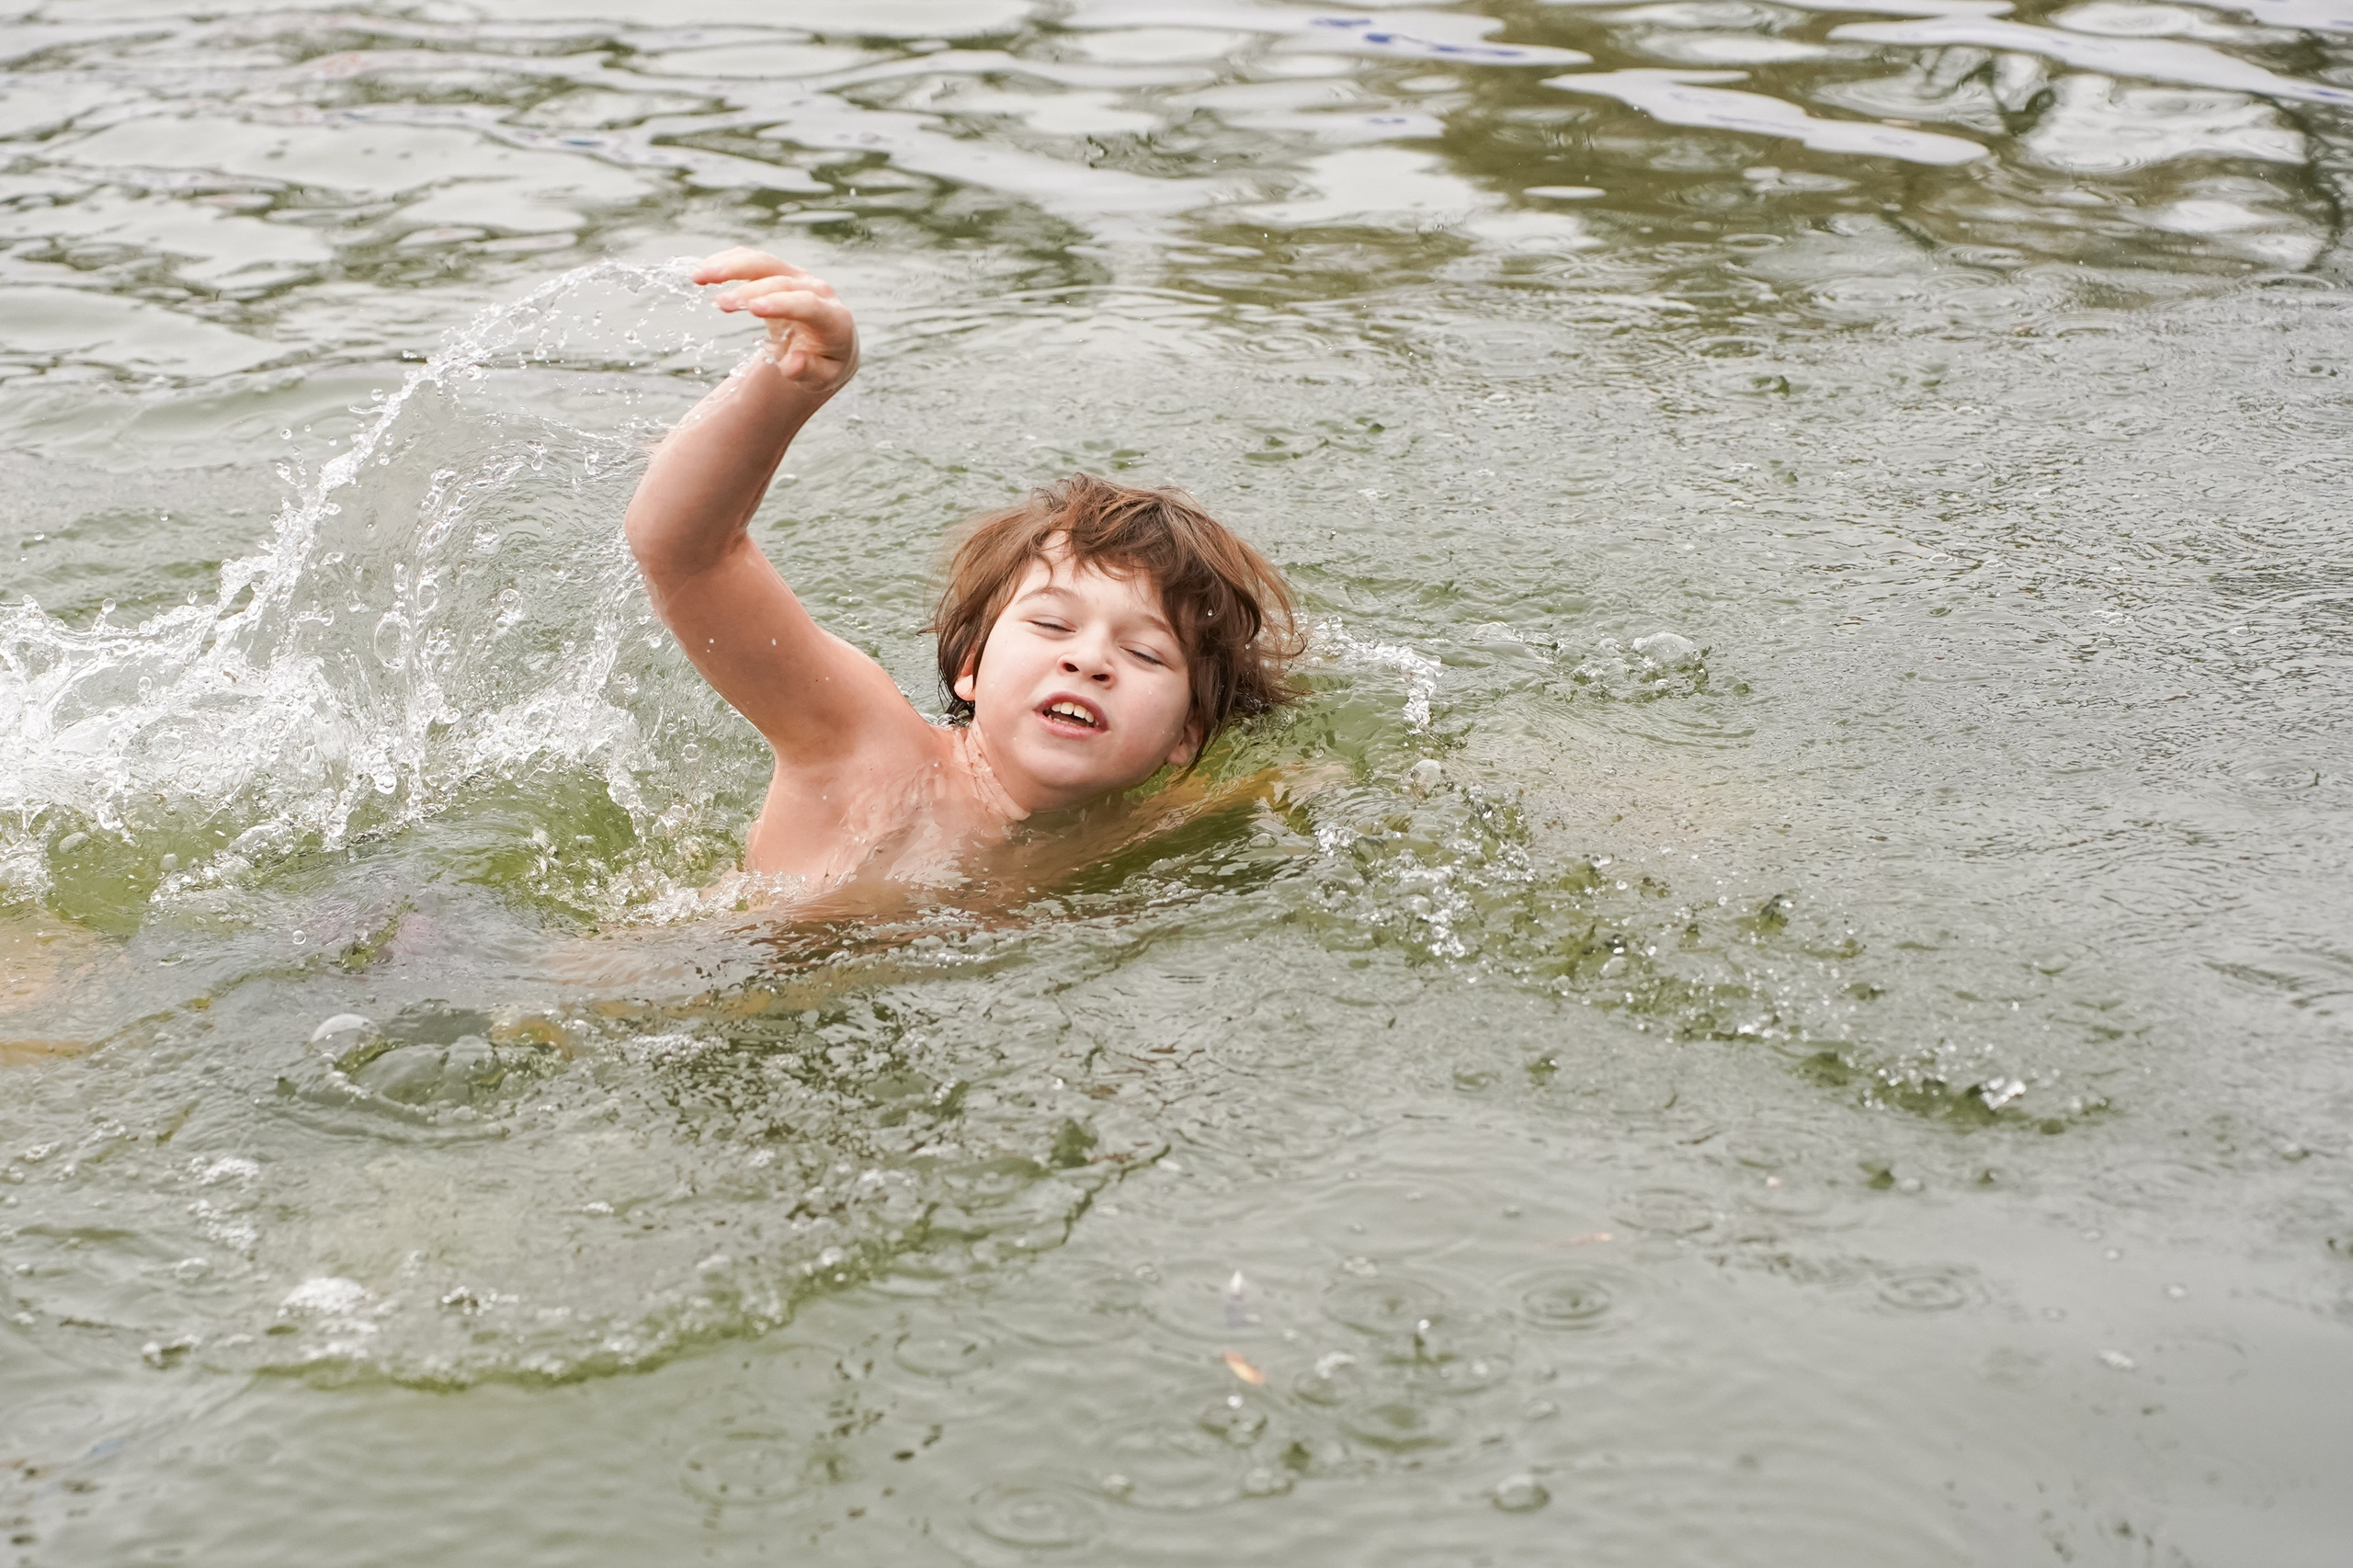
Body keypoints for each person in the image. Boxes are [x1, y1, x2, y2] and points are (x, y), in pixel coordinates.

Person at [623, 248, 1304, 903]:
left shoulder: (1133, 830)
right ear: (971, 667)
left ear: (1186, 735)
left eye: (1145, 653)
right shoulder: (867, 746)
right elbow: (684, 552)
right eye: (1052, 623)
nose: (1089, 660)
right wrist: (794, 384)